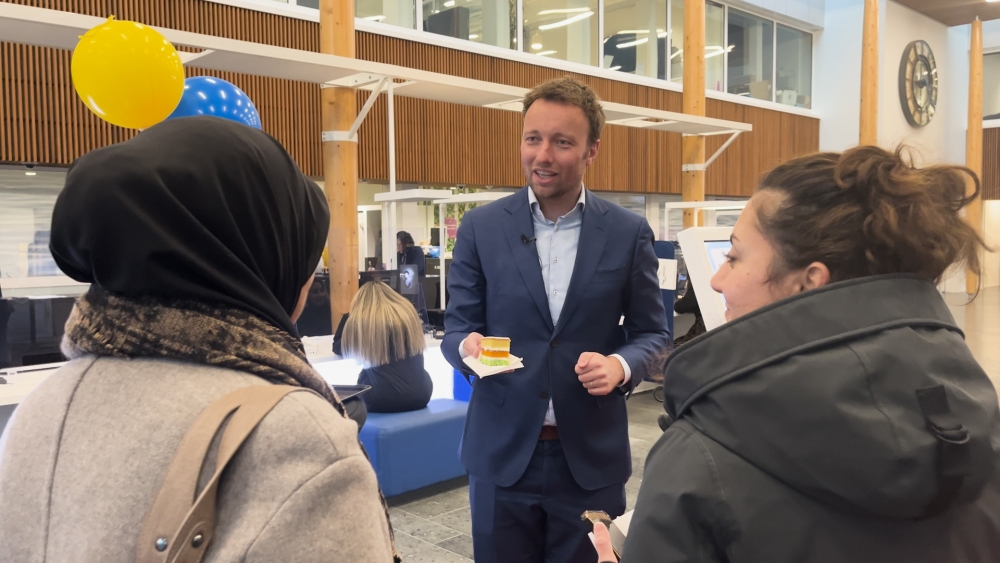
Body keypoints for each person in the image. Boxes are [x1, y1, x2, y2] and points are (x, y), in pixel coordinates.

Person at [0, 117, 397, 562]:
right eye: (302, 254)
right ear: (263, 256)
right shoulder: (293, 436)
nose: (308, 279)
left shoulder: (41, 406)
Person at [605, 146, 1000, 562]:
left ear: (809, 282)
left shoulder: (702, 461)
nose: (719, 279)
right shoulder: (972, 428)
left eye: (735, 256)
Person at [443, 76, 670, 563]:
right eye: (533, 138)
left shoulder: (627, 232)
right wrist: (466, 348)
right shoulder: (481, 228)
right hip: (501, 457)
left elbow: (655, 333)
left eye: (562, 142)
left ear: (592, 151)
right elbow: (457, 326)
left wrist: (621, 365)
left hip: (590, 460)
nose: (542, 155)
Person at [339, 280, 433, 413]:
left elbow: (339, 347)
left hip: (381, 397)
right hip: (422, 393)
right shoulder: (407, 313)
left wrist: (348, 315)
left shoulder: (363, 320)